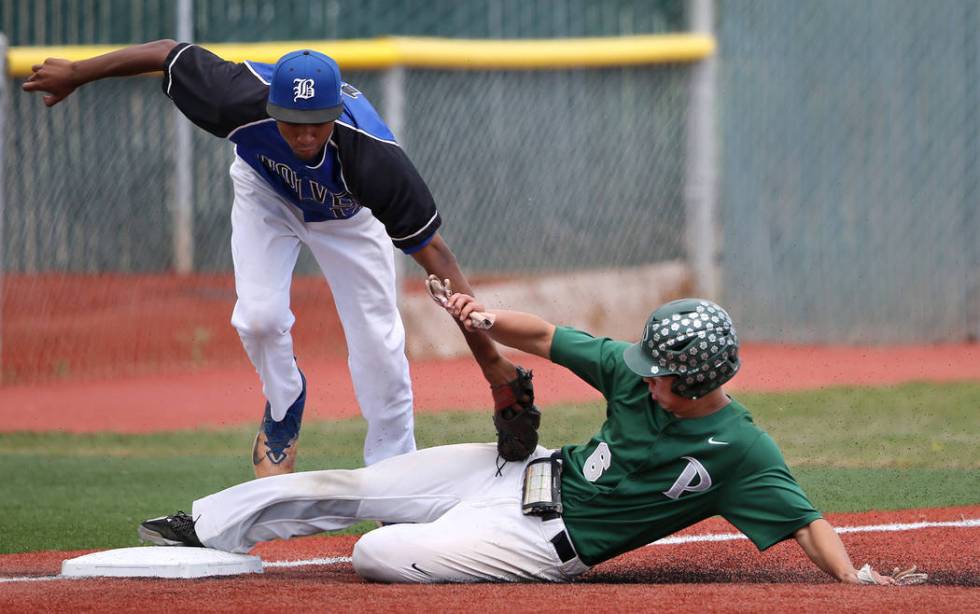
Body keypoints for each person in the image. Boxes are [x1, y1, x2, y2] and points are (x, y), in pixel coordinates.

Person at [136, 289, 925, 585]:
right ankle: (204, 525)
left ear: (696, 382)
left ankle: (441, 539)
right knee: (357, 487)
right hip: (525, 470)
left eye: (659, 371)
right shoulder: (629, 370)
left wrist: (854, 580)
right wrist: (481, 317)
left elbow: (807, 520)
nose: (641, 373)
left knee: (375, 553)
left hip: (543, 542)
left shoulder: (741, 451)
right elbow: (545, 337)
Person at [22, 40, 533, 477]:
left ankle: (392, 471)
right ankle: (285, 405)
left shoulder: (373, 158)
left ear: (336, 114)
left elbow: (438, 257)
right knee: (259, 319)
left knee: (379, 343)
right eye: (293, 123)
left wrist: (490, 358)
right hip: (267, 195)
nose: (306, 136)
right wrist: (77, 73)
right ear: (271, 108)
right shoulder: (237, 98)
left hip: (347, 219)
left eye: (318, 124)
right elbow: (166, 54)